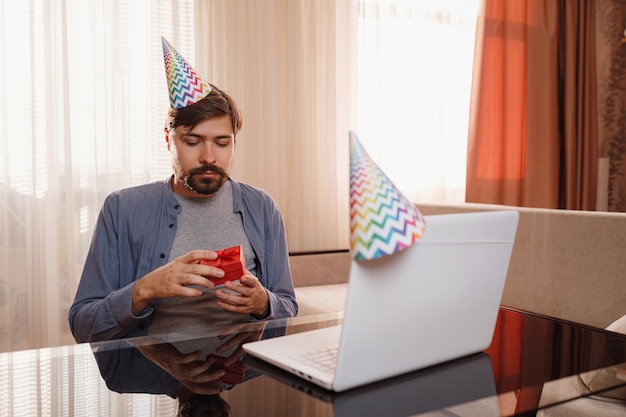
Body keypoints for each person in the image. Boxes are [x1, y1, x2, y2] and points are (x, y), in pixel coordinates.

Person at [68, 37, 297, 343]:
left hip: (243, 382)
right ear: (168, 138)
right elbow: (84, 326)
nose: (209, 157)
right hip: (152, 384)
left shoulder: (262, 207)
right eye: (192, 141)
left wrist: (264, 303)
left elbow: (287, 307)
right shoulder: (121, 209)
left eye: (222, 142)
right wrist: (144, 289)